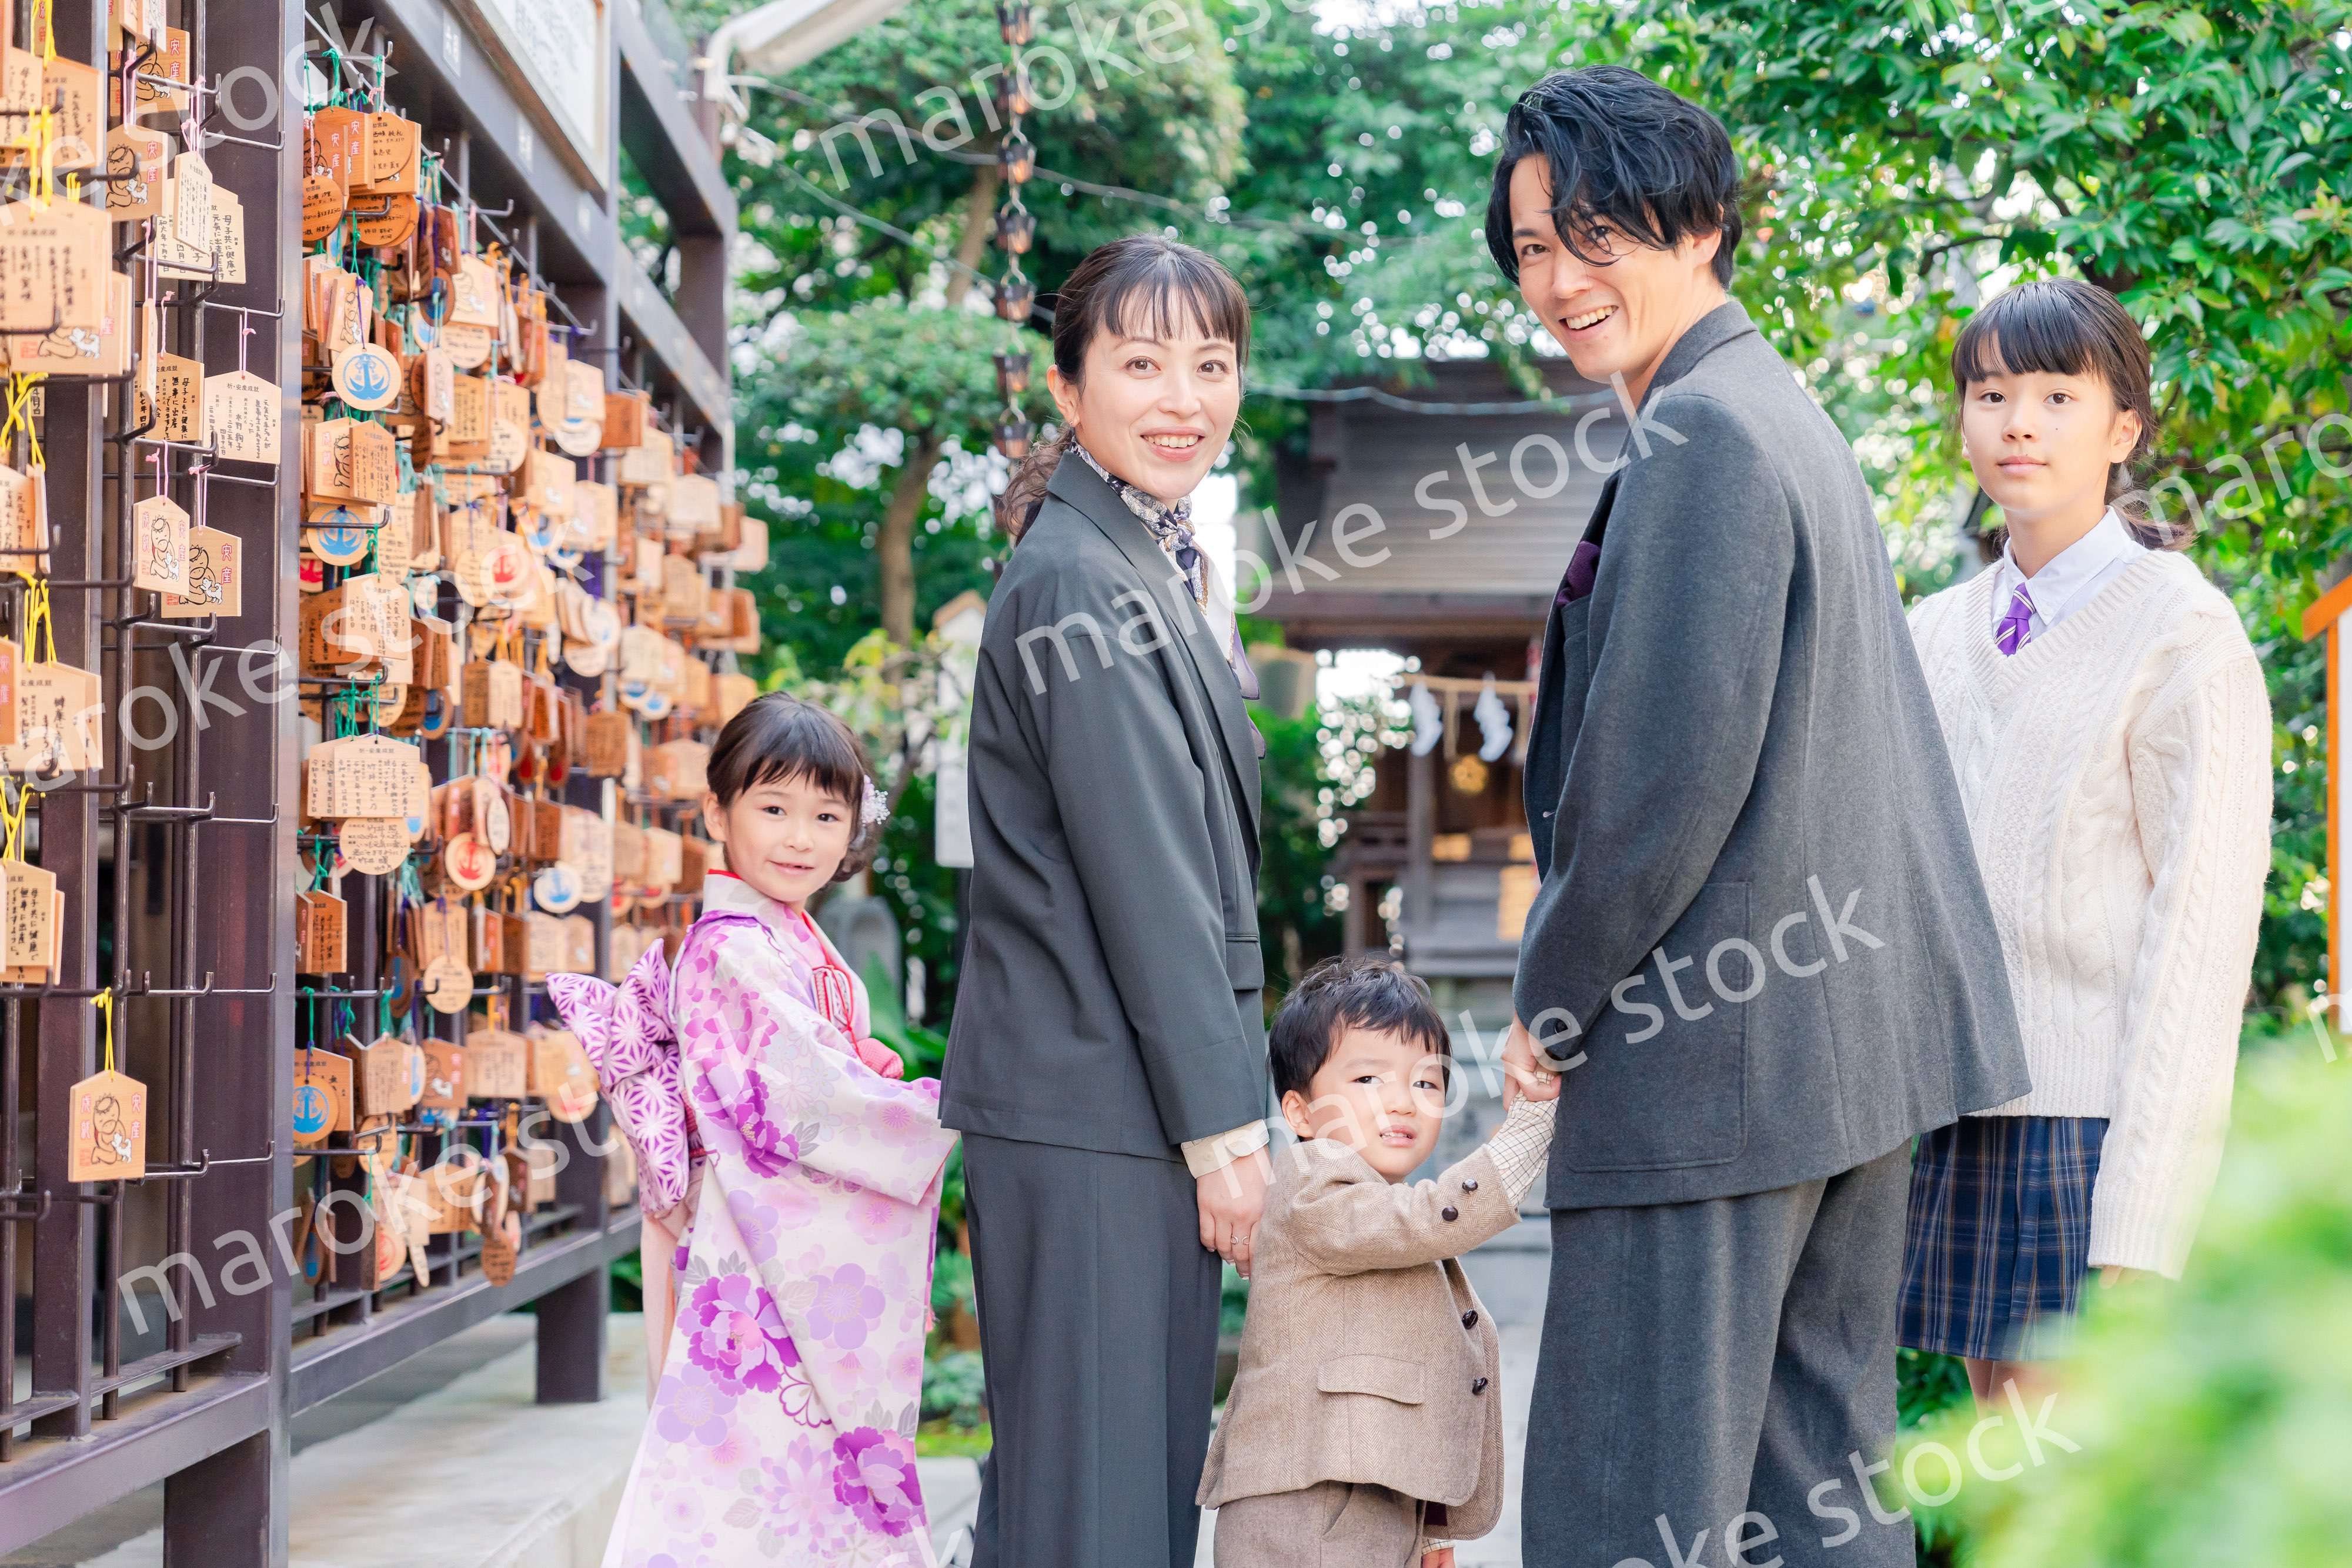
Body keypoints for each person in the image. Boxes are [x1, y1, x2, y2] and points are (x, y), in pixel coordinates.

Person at [1486, 66, 2032, 1566]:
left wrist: (1547, 1007)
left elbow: (1660, 790)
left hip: (1709, 1073)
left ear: (1702, 224)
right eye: (1532, 247)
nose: (1558, 280)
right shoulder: (1767, 406)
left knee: (1628, 1504)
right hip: (1833, 1064)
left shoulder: (1703, 437)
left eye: (1595, 234)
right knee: (1812, 1490)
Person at [940, 235, 1268, 1568]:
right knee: (1098, 1513)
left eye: (1210, 361)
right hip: (1097, 1111)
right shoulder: (1083, 574)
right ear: (1070, 389)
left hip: (1100, 1108)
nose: (1181, 395)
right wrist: (1224, 1134)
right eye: (1140, 363)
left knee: (1094, 1503)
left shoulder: (1138, 556)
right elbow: (1149, 879)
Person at [1900, 279, 2272, 1406]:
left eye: (2059, 394)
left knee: (2072, 1489)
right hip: (1955, 1114)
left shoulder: (2182, 630)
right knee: (2001, 1477)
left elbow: (2198, 947)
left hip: (2092, 1131)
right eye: (1992, 392)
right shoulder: (1934, 631)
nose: (2019, 421)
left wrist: (2144, 1217)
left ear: (2123, 428)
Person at [550, 694, 957, 1568]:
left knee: (783, 1473)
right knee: (761, 1468)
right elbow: (795, 1096)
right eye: (772, 808)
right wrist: (936, 1107)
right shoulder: (734, 942)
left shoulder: (786, 932)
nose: (799, 836)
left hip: (766, 1232)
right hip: (750, 1240)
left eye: (824, 814)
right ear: (718, 811)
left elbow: (819, 1066)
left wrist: (868, 1070)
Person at [1198, 956, 1559, 1568]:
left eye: (1424, 1082)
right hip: (1303, 1506)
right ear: (1300, 1114)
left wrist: (1431, 1530)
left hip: (1369, 1505)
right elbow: (1426, 1220)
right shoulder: (1311, 1185)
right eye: (1368, 1081)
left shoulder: (1378, 1212)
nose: (1402, 1102)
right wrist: (1529, 1129)